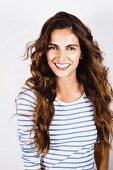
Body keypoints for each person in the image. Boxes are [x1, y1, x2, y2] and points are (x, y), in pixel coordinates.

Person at [15, 11, 113, 170]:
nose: (61, 58)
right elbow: (31, 163)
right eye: (53, 47)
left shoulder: (95, 90)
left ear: (82, 52)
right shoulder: (31, 96)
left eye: (71, 48)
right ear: (45, 51)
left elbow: (102, 144)